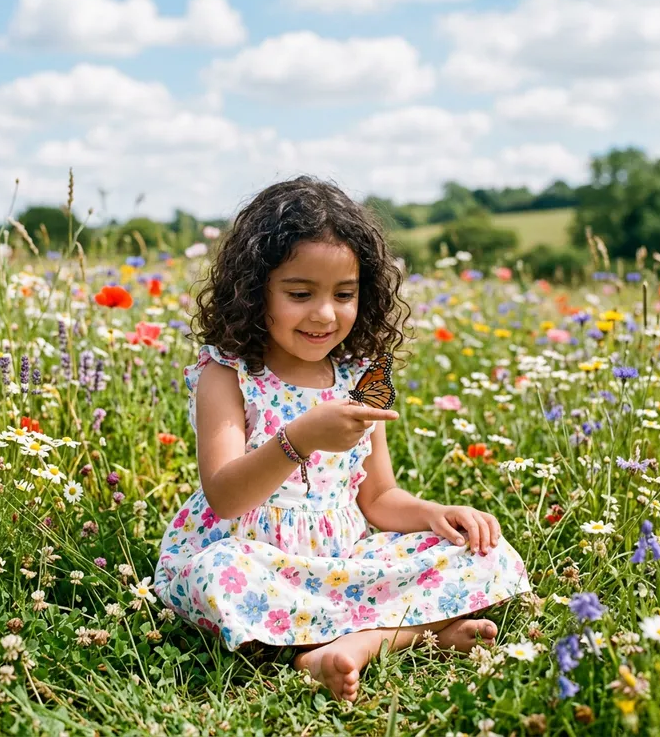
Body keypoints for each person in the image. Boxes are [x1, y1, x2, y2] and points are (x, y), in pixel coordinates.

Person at [154, 177, 530, 702]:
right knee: (218, 576)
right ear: (253, 287)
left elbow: (378, 498)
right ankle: (415, 635)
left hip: (346, 560)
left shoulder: (358, 377)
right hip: (257, 559)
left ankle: (349, 645)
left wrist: (434, 514)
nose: (324, 314)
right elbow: (225, 496)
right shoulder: (230, 374)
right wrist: (301, 437)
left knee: (483, 552)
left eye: (344, 295)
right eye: (300, 293)